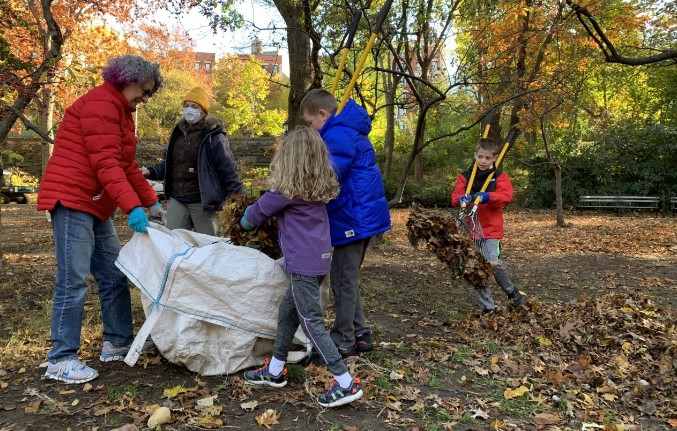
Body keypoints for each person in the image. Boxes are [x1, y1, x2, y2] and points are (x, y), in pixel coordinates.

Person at [37, 54, 164, 384]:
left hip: (94, 204)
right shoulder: (102, 105)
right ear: (128, 79)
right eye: (144, 91)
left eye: (149, 94)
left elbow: (127, 168)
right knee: (74, 279)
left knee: (113, 272)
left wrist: (151, 202)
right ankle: (61, 358)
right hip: (73, 200)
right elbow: (106, 165)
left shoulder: (122, 112)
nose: (145, 98)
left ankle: (118, 341)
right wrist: (132, 208)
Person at [240, 127, 364, 408]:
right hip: (320, 261)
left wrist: (243, 221)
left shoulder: (284, 192)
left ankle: (344, 382)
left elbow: (253, 216)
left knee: (311, 323)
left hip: (303, 265)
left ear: (288, 160)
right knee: (288, 313)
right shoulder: (314, 191)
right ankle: (275, 370)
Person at [299, 89, 391, 358]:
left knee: (342, 280)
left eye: (309, 123)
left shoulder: (337, 135)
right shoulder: (344, 130)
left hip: (354, 218)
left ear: (322, 114)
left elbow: (330, 174)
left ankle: (343, 340)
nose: (310, 128)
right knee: (347, 278)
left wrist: (300, 180)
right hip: (357, 215)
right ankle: (360, 333)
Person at [141, 86, 243, 236]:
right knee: (172, 242)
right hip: (178, 199)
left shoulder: (213, 136)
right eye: (186, 106)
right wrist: (150, 171)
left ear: (203, 111)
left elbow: (227, 168)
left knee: (208, 246)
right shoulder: (178, 133)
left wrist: (237, 197)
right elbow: (170, 164)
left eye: (194, 106)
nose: (189, 110)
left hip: (203, 202)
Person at [451, 137, 525, 313]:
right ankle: (488, 307)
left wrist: (488, 197)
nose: (483, 161)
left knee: (494, 263)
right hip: (470, 229)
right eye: (480, 157)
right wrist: (460, 199)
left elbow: (506, 197)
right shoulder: (465, 176)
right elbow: (455, 197)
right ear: (475, 155)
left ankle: (511, 291)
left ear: (494, 158)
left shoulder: (499, 177)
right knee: (477, 268)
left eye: (487, 158)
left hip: (491, 229)